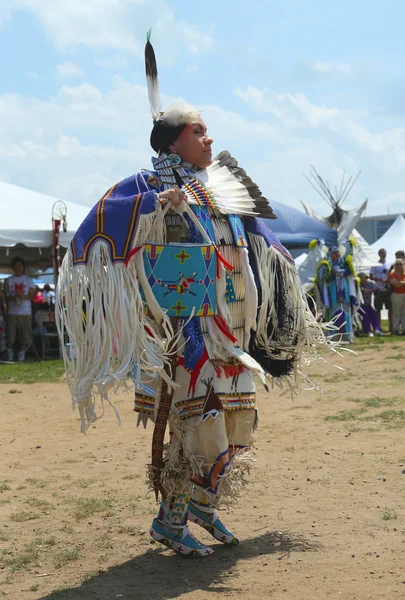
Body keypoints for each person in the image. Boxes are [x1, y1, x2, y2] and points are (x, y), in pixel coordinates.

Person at [57, 34, 329, 558]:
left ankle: (203, 505)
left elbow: (259, 241)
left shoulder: (218, 188)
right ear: (173, 140)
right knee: (197, 427)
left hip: (229, 327)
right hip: (182, 331)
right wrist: (159, 202)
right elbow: (96, 225)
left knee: (238, 420)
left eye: (208, 132)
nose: (209, 140)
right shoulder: (144, 184)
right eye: (199, 131)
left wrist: (285, 276)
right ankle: (170, 521)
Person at [315, 241, 359, 342]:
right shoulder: (326, 265)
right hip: (333, 292)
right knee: (333, 314)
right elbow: (322, 278)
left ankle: (347, 336)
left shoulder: (343, 263)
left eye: (338, 253)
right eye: (335, 253)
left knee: (346, 313)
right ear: (331, 254)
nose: (337, 255)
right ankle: (334, 336)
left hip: (344, 292)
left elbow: (349, 257)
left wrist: (350, 244)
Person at [4, 257, 35, 361]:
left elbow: (32, 296)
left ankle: (22, 354)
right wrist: (13, 297)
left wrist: (23, 296)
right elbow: (5, 296)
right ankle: (9, 353)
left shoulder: (29, 280)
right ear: (13, 268)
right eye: (17, 266)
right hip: (12, 312)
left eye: (21, 266)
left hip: (25, 312)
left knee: (25, 336)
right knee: (10, 335)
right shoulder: (8, 280)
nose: (19, 268)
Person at [369, 248, 391, 331]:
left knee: (390, 308)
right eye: (382, 253)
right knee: (378, 309)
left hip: (388, 288)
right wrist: (378, 279)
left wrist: (387, 279)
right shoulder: (375, 264)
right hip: (378, 289)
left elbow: (392, 274)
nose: (384, 254)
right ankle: (378, 326)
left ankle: (390, 326)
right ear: (379, 254)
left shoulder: (389, 263)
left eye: (385, 253)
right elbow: (371, 276)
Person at [357, 272, 384, 337]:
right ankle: (367, 331)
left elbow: (377, 289)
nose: (365, 279)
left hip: (368, 305)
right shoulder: (357, 284)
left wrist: (379, 289)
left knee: (373, 314)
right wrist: (370, 290)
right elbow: (362, 290)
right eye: (363, 277)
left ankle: (376, 329)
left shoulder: (370, 283)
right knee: (365, 316)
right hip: (360, 306)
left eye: (366, 277)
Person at [388, 258, 405, 335]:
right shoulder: (392, 274)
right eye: (397, 264)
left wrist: (400, 282)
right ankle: (395, 329)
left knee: (403, 313)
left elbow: (398, 283)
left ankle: (404, 329)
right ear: (394, 265)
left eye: (401, 264)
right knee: (396, 313)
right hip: (396, 295)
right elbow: (395, 284)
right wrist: (403, 282)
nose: (399, 266)